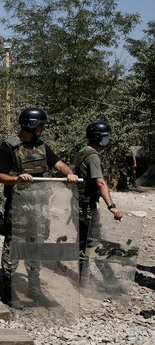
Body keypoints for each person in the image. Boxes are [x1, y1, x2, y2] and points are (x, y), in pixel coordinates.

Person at [0, 108, 78, 307]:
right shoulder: (9, 146)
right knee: (14, 245)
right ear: (31, 125)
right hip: (18, 206)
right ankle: (9, 289)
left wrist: (69, 174)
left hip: (40, 207)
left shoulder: (42, 146)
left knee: (36, 247)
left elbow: (59, 164)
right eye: (41, 125)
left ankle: (34, 288)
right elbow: (0, 175)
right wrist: (17, 179)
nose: (43, 129)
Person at [74, 121, 124, 283]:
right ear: (98, 137)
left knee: (86, 242)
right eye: (105, 136)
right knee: (96, 243)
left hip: (79, 204)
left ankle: (85, 279)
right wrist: (112, 207)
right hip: (87, 206)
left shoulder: (82, 152)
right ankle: (109, 281)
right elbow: (100, 182)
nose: (107, 139)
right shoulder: (93, 156)